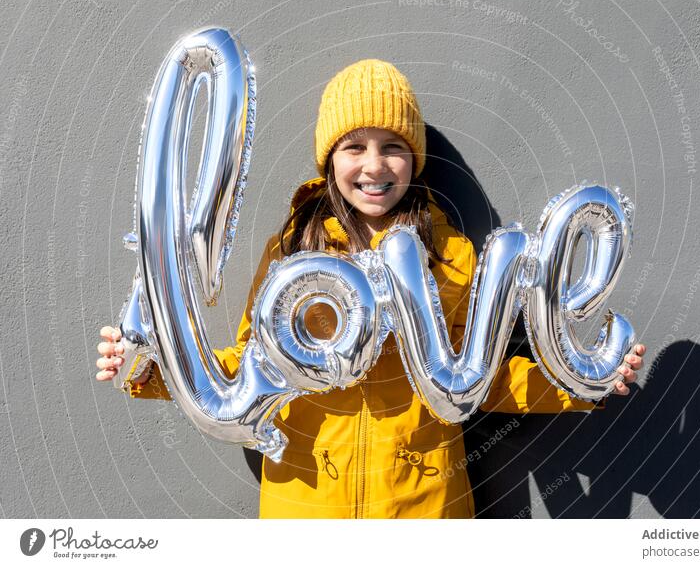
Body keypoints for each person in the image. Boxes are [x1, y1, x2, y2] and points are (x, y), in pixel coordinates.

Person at [96, 59, 646, 518]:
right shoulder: (291, 250)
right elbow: (246, 367)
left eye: (393, 146)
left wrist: (581, 381)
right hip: (305, 513)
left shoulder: (452, 255)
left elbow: (483, 379)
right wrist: (148, 367)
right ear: (330, 156)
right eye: (354, 146)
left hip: (424, 511)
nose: (374, 166)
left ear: (414, 158)